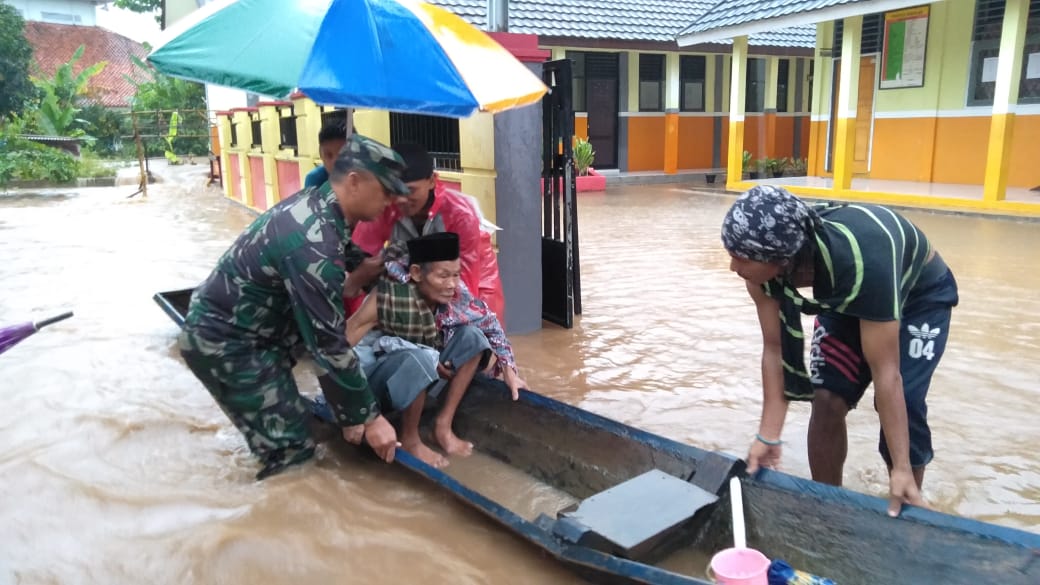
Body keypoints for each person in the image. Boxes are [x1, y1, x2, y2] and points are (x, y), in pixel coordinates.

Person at [179, 133, 410, 480]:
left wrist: (369, 267)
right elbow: (328, 345)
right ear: (355, 182)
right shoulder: (312, 244)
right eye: (386, 191)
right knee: (293, 457)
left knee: (293, 427)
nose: (391, 202)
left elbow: (341, 253)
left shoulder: (317, 207)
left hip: (251, 336)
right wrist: (369, 417)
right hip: (228, 344)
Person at [721, 185, 958, 516]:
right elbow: (775, 350)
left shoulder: (861, 263)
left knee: (908, 401)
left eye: (742, 257)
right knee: (827, 398)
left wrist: (901, 465)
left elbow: (887, 375)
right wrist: (768, 435)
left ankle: (906, 498)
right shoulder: (763, 273)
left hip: (919, 298)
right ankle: (827, 506)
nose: (733, 266)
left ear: (781, 258)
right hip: (844, 296)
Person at [346, 232, 526, 468]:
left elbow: (490, 323)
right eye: (443, 276)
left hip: (419, 367)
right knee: (423, 357)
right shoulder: (387, 298)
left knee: (473, 337)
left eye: (456, 275)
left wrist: (509, 369)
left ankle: (442, 426)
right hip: (376, 379)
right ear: (417, 273)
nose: (452, 284)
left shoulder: (456, 293)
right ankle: (411, 439)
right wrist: (351, 409)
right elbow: (339, 345)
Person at [350, 143, 506, 320]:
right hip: (416, 278)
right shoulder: (384, 205)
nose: (401, 199)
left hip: (471, 276)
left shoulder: (461, 214)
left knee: (474, 332)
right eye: (395, 189)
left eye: (410, 190)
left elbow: (464, 284)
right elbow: (360, 266)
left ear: (432, 180)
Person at [303, 118, 348, 189]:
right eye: (329, 155)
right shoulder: (314, 180)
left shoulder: (367, 177)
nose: (335, 162)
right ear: (321, 155)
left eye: (343, 155)